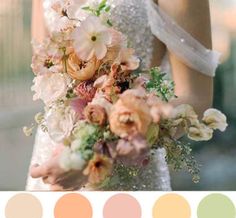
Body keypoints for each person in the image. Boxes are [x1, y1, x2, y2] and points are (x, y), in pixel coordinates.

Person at [26, 0, 219, 191]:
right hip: (51, 160)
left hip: (129, 171)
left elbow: (196, 97)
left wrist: (93, 150)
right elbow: (44, 64)